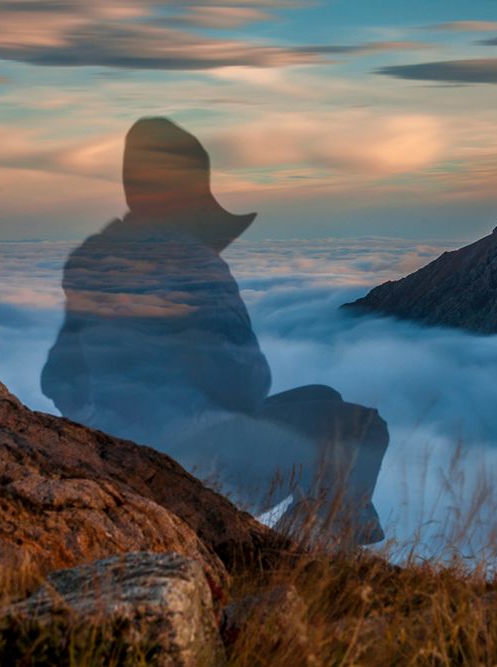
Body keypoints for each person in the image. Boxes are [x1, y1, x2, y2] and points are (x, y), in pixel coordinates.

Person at [42, 117, 386, 544]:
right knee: (362, 431)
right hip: (196, 460)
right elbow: (247, 386)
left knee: (324, 399)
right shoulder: (196, 266)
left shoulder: (92, 262)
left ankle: (297, 549)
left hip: (119, 455)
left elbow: (56, 378)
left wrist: (106, 429)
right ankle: (307, 562)